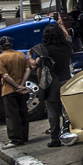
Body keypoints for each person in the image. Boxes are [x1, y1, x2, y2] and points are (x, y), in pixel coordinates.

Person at [29, 19, 73, 147]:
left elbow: (34, 66)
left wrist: (30, 56)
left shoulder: (44, 50)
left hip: (51, 84)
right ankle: (68, 134)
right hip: (66, 82)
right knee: (67, 112)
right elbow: (68, 37)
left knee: (53, 113)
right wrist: (61, 24)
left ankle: (55, 138)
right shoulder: (67, 47)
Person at [0, 36, 30, 147]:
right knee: (23, 113)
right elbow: (27, 69)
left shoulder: (1, 58)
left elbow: (5, 75)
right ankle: (24, 136)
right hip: (22, 89)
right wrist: (21, 85)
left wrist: (16, 86)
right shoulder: (20, 54)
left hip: (9, 90)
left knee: (12, 116)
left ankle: (16, 139)